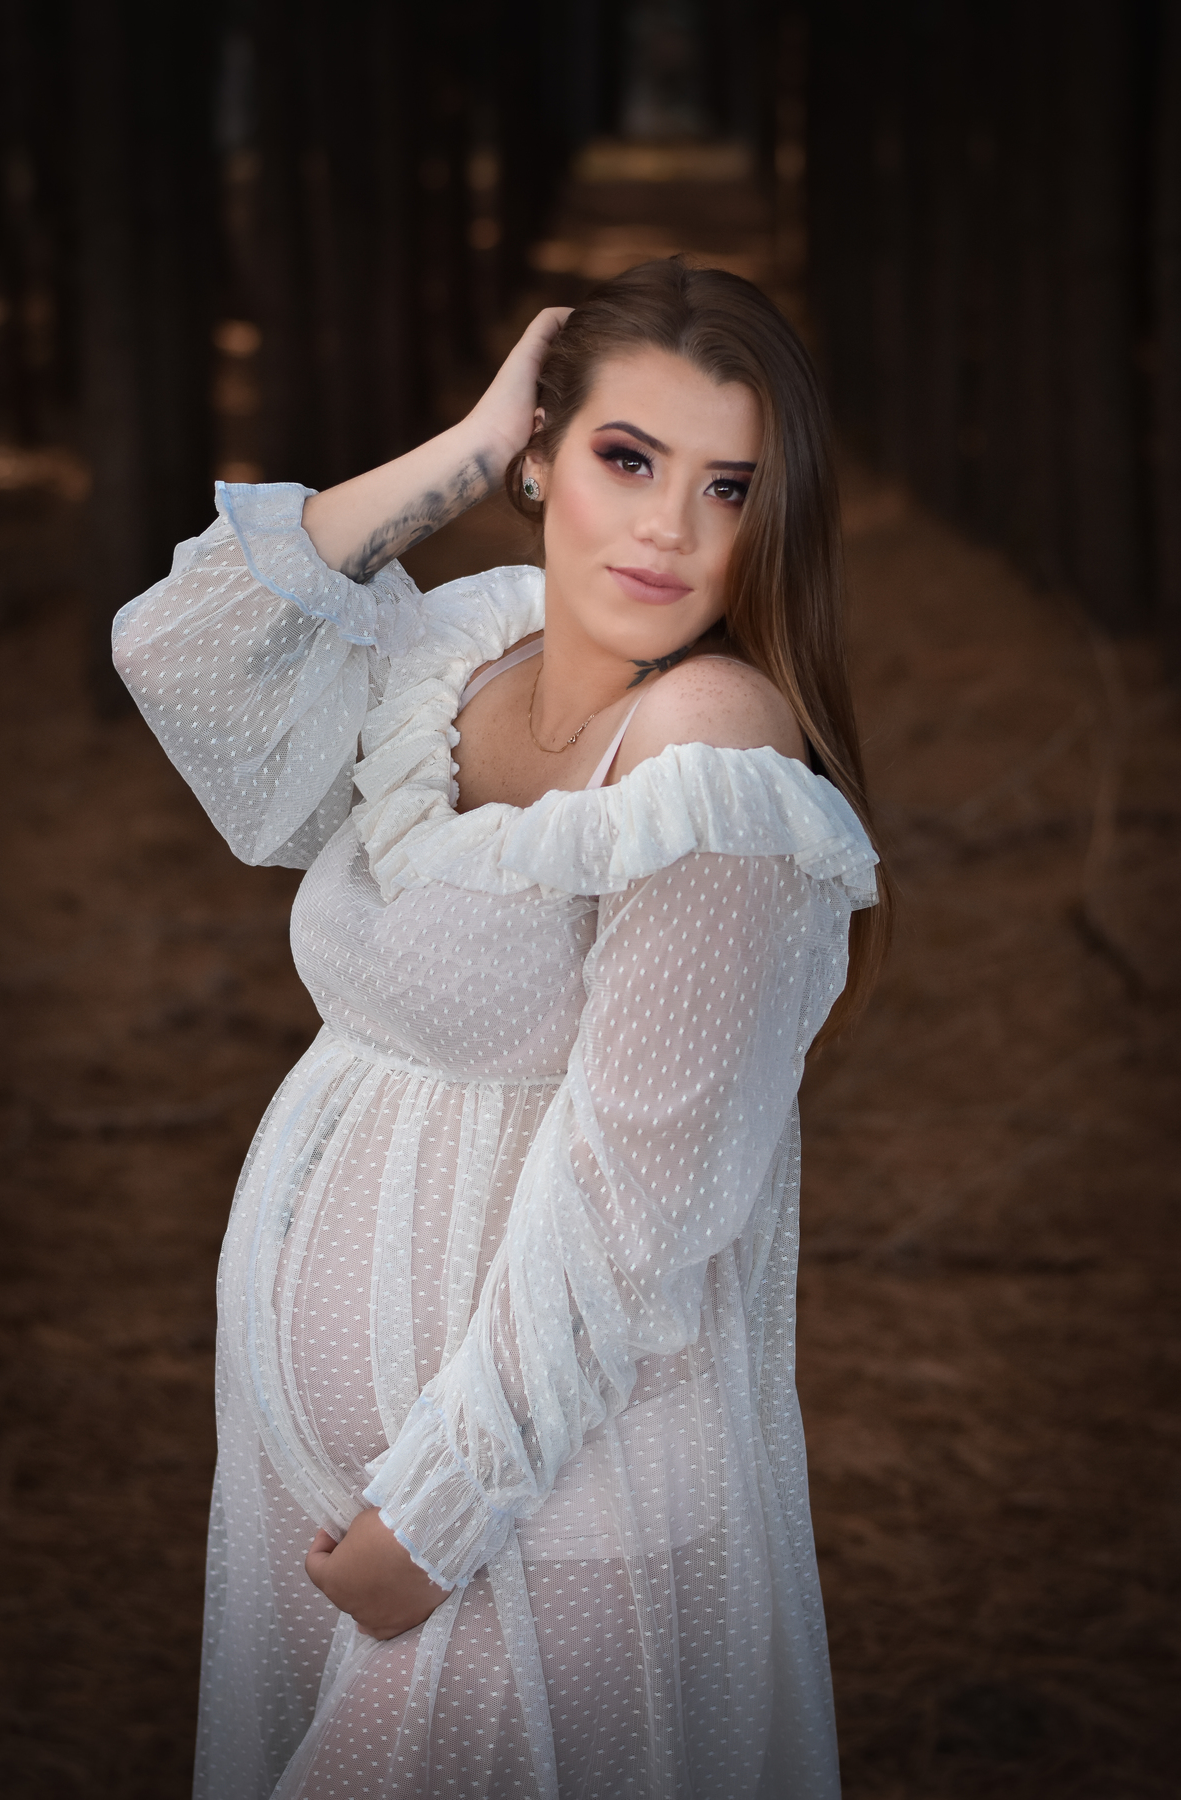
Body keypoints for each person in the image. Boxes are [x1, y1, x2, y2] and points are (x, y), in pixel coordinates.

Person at [113, 257, 888, 1800]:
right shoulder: (471, 645)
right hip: (315, 1475)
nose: (669, 529)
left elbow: (639, 1201)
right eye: (626, 459)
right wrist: (464, 450)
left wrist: (439, 1512)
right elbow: (177, 648)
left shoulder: (709, 750)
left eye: (730, 488)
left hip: (546, 1492)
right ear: (542, 455)